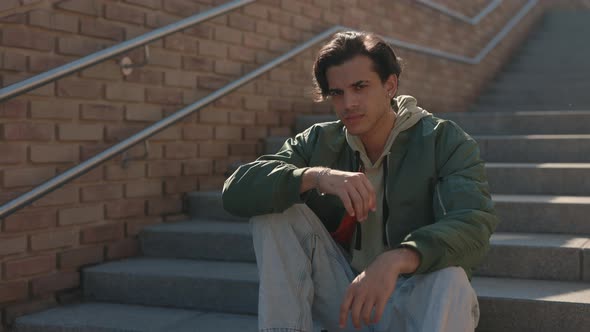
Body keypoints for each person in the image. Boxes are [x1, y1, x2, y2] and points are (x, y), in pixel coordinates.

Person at [222, 31, 498, 332]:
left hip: (415, 298)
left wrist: (397, 259)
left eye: (359, 87)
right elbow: (237, 191)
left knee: (450, 279)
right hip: (346, 299)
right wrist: (316, 176)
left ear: (390, 85)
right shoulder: (319, 141)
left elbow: (473, 223)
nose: (348, 103)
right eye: (337, 93)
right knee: (274, 213)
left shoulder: (443, 140)